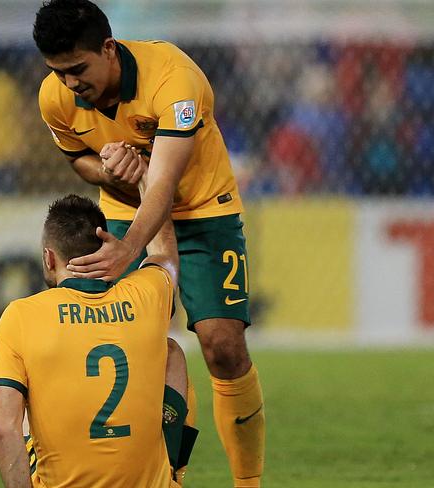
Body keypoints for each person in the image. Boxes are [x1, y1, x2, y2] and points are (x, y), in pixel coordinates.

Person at [33, 1, 265, 486]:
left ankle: (249, 483)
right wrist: (112, 170)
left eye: (78, 69)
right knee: (117, 343)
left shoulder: (175, 79)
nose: (71, 84)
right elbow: (80, 163)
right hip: (120, 209)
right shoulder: (54, 96)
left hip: (203, 208)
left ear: (109, 48)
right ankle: (161, 475)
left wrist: (128, 245)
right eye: (59, 73)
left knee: (223, 347)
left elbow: (163, 186)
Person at [0, 194, 196, 487]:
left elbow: (3, 429)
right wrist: (149, 183)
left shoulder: (20, 315)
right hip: (146, 481)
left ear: (49, 257)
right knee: (171, 351)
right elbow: (165, 256)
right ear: (105, 247)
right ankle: (170, 474)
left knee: (23, 386)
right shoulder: (146, 294)